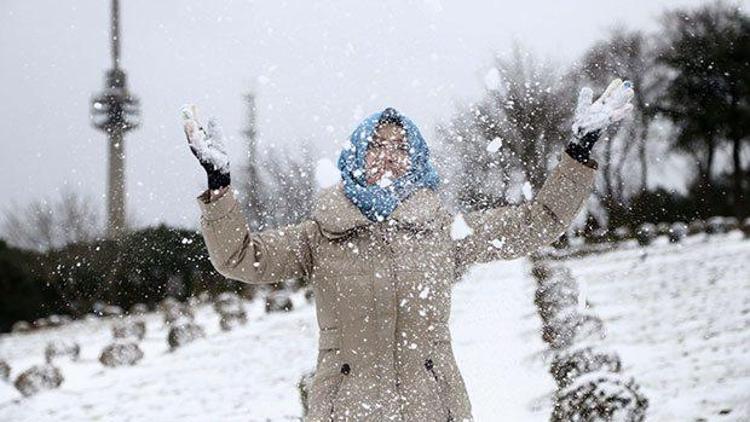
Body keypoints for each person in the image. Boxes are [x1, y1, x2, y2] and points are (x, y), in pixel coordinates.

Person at [182, 79, 634, 422]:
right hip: (347, 411)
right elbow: (239, 256)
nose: (388, 156)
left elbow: (538, 222)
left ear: (416, 161)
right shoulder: (320, 235)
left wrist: (578, 151)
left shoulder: (442, 230)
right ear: (355, 157)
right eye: (376, 146)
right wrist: (219, 184)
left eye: (401, 148)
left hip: (434, 408)